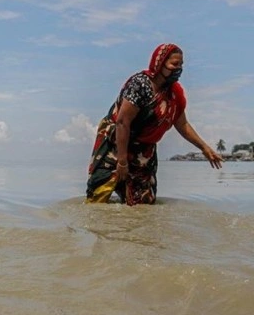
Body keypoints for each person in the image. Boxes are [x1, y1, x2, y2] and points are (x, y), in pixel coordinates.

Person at [86, 43, 223, 205]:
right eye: (174, 64)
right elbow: (123, 122)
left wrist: (204, 148)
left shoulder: (174, 93)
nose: (178, 69)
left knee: (143, 204)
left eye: (181, 65)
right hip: (116, 141)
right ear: (160, 63)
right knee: (98, 197)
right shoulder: (140, 85)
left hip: (144, 150)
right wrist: (122, 162)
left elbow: (182, 124)